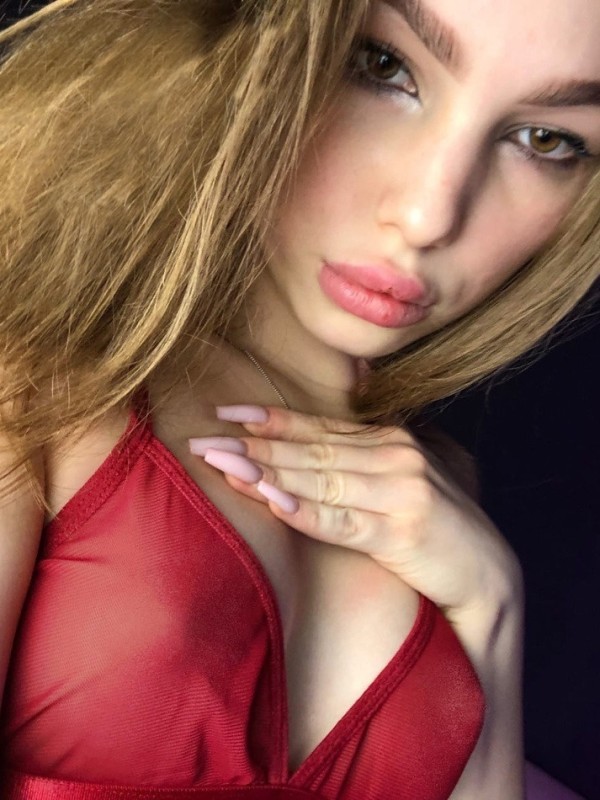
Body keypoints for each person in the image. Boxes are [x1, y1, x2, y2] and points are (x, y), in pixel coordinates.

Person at [0, 0, 598, 798]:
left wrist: (492, 608)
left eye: (546, 140)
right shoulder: (40, 382)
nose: (428, 216)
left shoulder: (435, 492)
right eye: (382, 67)